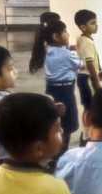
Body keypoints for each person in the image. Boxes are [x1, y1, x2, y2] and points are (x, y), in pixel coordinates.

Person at [33, 19, 82, 152]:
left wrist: (70, 48)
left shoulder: (46, 49)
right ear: (56, 36)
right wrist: (78, 50)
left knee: (54, 120)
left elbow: (62, 50)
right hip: (65, 91)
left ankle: (54, 151)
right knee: (67, 123)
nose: (68, 34)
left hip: (51, 89)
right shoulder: (66, 55)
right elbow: (80, 63)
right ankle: (61, 152)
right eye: (65, 32)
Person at [74, 9, 102, 143]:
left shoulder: (84, 39)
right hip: (88, 79)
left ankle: (87, 134)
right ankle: (87, 136)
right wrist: (96, 81)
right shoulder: (87, 42)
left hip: (84, 78)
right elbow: (90, 63)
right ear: (83, 27)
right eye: (92, 23)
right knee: (90, 107)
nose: (96, 26)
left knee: (89, 106)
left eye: (96, 22)